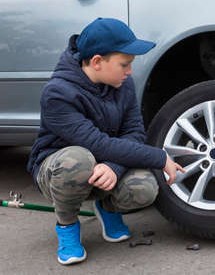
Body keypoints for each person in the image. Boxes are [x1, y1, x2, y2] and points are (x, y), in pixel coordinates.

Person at [26, 17, 185, 265]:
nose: (130, 71)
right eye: (124, 64)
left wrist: (114, 166)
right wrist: (160, 157)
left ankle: (108, 210)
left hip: (104, 165)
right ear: (98, 61)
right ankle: (66, 226)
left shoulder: (124, 85)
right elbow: (96, 143)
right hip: (58, 169)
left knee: (144, 187)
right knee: (77, 159)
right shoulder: (57, 93)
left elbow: (134, 133)